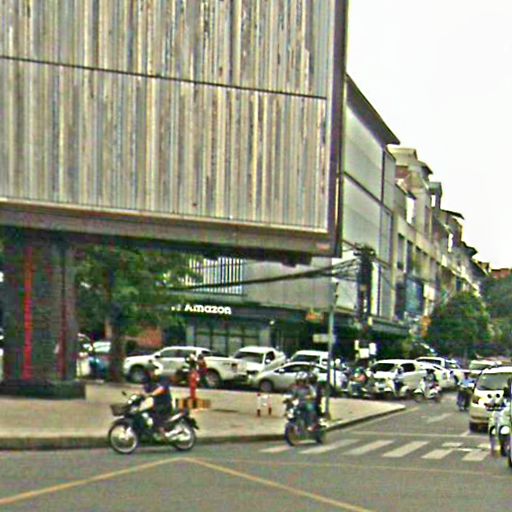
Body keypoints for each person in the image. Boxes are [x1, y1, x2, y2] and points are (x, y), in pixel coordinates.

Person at [143, 363, 173, 437]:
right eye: (149, 371)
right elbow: (145, 390)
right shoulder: (148, 381)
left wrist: (152, 394)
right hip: (155, 403)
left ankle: (162, 433)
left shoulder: (163, 379)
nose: (151, 373)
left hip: (165, 403)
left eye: (152, 371)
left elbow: (161, 389)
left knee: (155, 414)